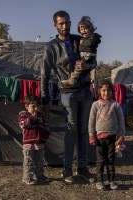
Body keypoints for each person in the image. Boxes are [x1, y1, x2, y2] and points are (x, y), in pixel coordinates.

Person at [40, 10, 96, 184]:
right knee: (71, 129)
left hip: (85, 90)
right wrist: (45, 100)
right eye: (61, 23)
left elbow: (94, 61)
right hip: (67, 92)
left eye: (67, 23)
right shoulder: (51, 47)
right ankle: (66, 170)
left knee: (82, 130)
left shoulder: (79, 40)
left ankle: (82, 168)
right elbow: (44, 75)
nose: (65, 26)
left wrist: (87, 65)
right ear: (55, 25)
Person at [88, 80, 125, 190]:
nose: (106, 93)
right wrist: (91, 135)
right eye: (103, 90)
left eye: (108, 90)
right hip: (99, 138)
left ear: (112, 91)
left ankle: (112, 181)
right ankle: (100, 181)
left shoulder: (115, 105)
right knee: (100, 160)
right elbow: (91, 121)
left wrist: (121, 135)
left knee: (111, 160)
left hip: (112, 138)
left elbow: (121, 121)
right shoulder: (95, 105)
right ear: (99, 91)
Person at [18, 93, 50, 185]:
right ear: (26, 106)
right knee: (28, 161)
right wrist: (32, 118)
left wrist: (45, 133)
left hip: (39, 144)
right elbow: (23, 125)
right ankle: (27, 177)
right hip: (28, 144)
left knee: (40, 161)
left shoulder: (41, 116)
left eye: (38, 106)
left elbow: (46, 128)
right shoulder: (23, 115)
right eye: (33, 106)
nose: (36, 109)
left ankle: (39, 176)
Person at [61, 16, 102, 87]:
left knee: (78, 68)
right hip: (70, 87)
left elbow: (94, 63)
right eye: (81, 29)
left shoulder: (92, 37)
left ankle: (73, 80)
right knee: (77, 68)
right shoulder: (80, 39)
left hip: (87, 56)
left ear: (90, 28)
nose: (83, 31)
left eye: (86, 28)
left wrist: (82, 42)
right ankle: (72, 78)